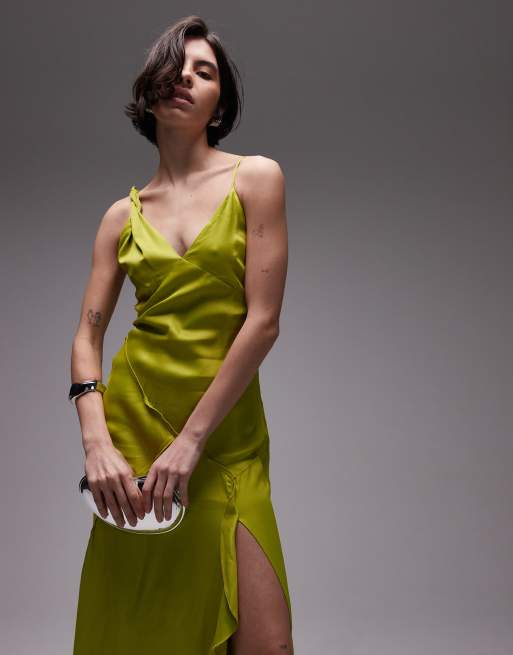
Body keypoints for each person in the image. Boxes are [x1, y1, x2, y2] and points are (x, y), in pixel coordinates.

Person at [71, 14, 293, 655]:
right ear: (150, 91)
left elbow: (263, 321)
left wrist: (192, 440)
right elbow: (87, 337)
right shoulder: (121, 217)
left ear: (220, 103)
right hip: (136, 435)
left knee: (267, 643)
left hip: (223, 436)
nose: (186, 78)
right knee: (145, 629)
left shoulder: (257, 178)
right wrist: (96, 443)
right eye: (174, 67)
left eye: (205, 71)